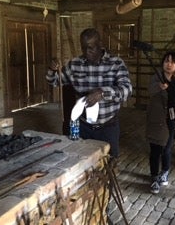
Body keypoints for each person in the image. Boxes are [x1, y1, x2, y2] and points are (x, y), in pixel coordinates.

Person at [46, 28, 132, 158]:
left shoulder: (115, 64)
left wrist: (103, 93)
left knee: (109, 164)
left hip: (107, 127)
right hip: (83, 126)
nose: (87, 52)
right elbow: (55, 82)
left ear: (100, 44)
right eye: (84, 48)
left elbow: (127, 90)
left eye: (91, 48)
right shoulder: (75, 64)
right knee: (81, 163)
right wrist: (52, 69)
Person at [146, 50, 175, 194]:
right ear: (162, 63)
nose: (169, 64)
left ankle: (165, 172)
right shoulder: (156, 78)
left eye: (172, 62)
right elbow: (149, 91)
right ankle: (154, 177)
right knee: (155, 150)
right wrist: (159, 87)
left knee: (167, 149)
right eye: (166, 61)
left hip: (172, 119)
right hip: (157, 120)